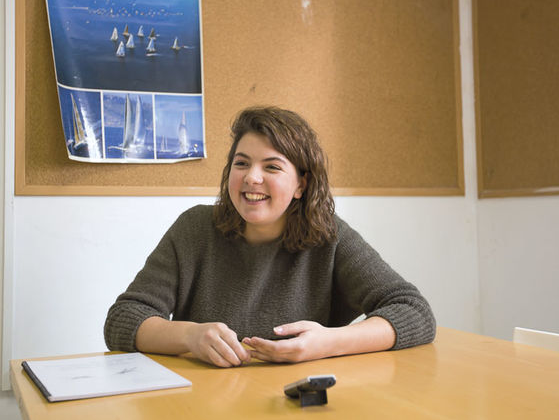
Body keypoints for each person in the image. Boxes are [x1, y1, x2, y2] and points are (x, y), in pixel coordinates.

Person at [104, 106, 436, 367]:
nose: (252, 177)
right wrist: (190, 336)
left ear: (301, 185)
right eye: (241, 163)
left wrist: (328, 342)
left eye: (272, 167)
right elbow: (124, 319)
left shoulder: (329, 236)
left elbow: (413, 311)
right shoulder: (195, 228)